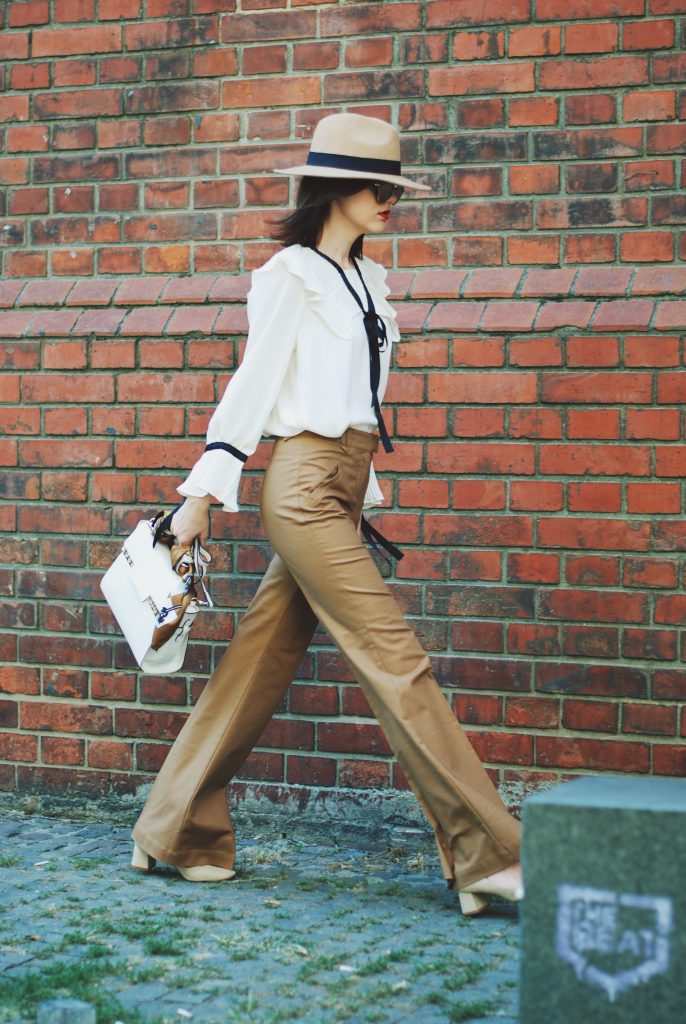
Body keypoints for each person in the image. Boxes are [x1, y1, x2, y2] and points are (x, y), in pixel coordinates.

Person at [130, 112, 523, 915]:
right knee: (394, 656)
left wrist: (363, 486)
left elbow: (360, 406)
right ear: (333, 188)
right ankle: (487, 853)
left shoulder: (370, 281)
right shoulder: (291, 276)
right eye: (376, 187)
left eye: (395, 189)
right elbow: (254, 384)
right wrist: (203, 494)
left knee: (258, 662)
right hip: (303, 490)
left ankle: (173, 829)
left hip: (340, 488)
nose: (389, 201)